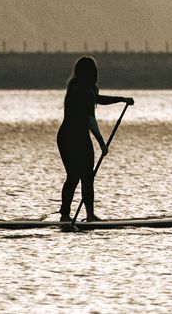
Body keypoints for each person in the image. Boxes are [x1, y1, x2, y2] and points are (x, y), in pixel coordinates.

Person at [58, 56, 134, 222]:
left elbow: (100, 100)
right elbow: (90, 120)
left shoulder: (85, 89)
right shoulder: (80, 91)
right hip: (70, 137)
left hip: (76, 136)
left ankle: (85, 214)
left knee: (85, 176)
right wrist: (101, 143)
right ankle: (67, 215)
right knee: (75, 175)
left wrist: (122, 100)